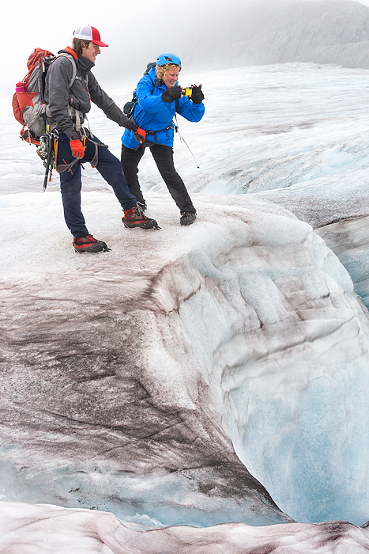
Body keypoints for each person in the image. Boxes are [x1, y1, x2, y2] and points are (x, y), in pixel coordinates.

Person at [44, 24, 159, 254]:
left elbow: (104, 102)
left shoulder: (84, 71)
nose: (99, 51)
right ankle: (80, 237)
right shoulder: (63, 65)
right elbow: (56, 106)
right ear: (83, 44)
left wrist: (131, 125)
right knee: (71, 187)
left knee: (111, 164)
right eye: (96, 46)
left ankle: (130, 213)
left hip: (79, 134)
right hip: (65, 137)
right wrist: (72, 137)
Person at [121, 52, 205, 226]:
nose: (174, 78)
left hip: (162, 135)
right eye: (171, 74)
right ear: (161, 72)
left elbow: (193, 116)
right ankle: (137, 205)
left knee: (168, 173)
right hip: (137, 133)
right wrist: (167, 96)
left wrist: (197, 102)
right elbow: (146, 104)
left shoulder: (176, 90)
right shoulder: (146, 82)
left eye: (177, 75)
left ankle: (188, 210)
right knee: (127, 170)